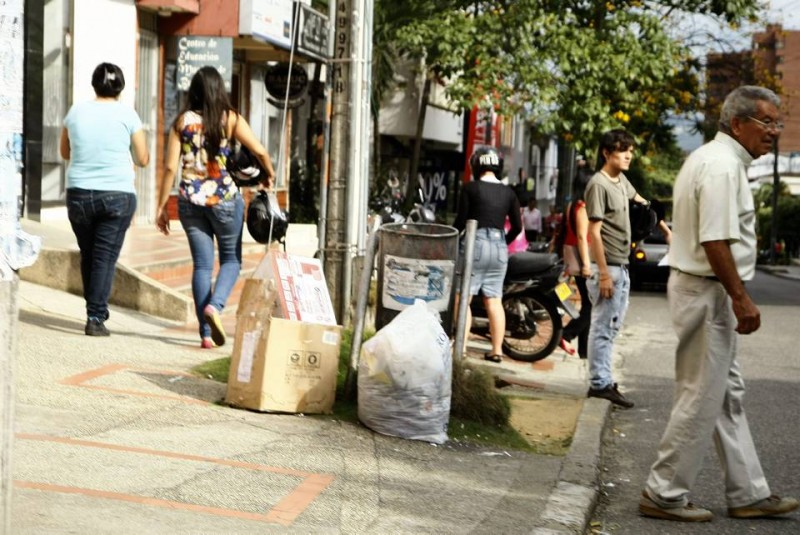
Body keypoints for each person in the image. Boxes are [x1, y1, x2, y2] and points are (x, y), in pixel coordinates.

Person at [640, 86, 799, 522]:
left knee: (726, 396)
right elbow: (714, 239)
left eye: (776, 123)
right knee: (701, 395)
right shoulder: (722, 167)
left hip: (705, 289)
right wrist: (741, 297)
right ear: (737, 123)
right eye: (766, 122)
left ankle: (748, 491)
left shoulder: (716, 160)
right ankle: (663, 492)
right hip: (705, 290)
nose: (774, 132)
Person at [156, 66, 275, 349]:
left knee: (202, 265)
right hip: (224, 200)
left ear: (193, 91)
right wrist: (268, 173)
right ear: (219, 89)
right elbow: (259, 150)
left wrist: (162, 206)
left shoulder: (181, 122)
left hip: (189, 202)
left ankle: (205, 334)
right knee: (232, 261)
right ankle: (216, 307)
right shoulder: (230, 118)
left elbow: (171, 166)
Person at [60, 62, 149, 337]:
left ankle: (94, 310)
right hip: (116, 196)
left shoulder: (75, 112)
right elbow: (143, 158)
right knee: (104, 258)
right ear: (120, 87)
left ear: (94, 84)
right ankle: (95, 317)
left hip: (78, 195)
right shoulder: (128, 115)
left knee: (90, 255)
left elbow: (65, 152)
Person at [584, 129, 654, 408]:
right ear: (606, 153)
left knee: (611, 328)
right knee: (601, 327)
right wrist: (602, 274)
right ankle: (599, 384)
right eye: (622, 150)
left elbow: (642, 202)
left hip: (621, 267)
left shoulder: (620, 181)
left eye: (631, 150)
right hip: (608, 268)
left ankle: (604, 378)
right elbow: (594, 233)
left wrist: (665, 228)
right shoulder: (598, 184)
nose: (628, 155)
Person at [453, 146, 521, 362]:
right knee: (494, 300)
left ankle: (461, 348)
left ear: (476, 165)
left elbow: (460, 222)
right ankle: (496, 351)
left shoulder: (470, 189)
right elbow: (518, 227)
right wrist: (503, 244)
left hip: (476, 244)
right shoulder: (509, 192)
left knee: (463, 298)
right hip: (499, 247)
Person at [557, 172, 593, 358]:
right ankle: (566, 334)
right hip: (581, 260)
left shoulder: (572, 204)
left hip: (573, 258)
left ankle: (584, 350)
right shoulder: (582, 207)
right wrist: (587, 264)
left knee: (588, 304)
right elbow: (581, 237)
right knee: (591, 306)